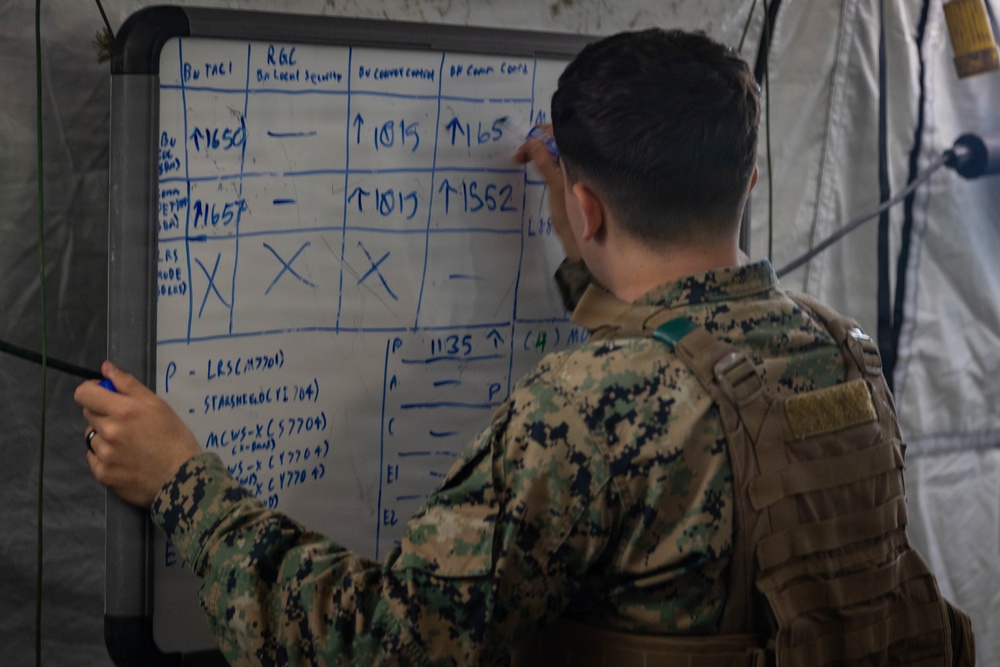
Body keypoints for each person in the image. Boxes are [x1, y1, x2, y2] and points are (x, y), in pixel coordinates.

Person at [76, 28, 973, 667]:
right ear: (744, 179)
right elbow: (691, 375)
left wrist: (180, 482)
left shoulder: (591, 402)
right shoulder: (835, 347)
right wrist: (584, 268)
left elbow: (386, 644)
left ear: (584, 207)